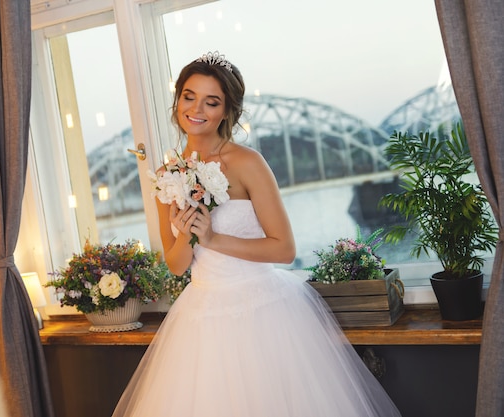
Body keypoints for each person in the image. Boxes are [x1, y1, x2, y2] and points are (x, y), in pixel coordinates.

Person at [112, 51, 401, 417]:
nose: (196, 108)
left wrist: (214, 239)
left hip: (264, 310)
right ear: (177, 101)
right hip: (201, 318)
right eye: (189, 96)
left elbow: (284, 249)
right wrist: (188, 233)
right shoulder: (165, 176)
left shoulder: (248, 163)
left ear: (227, 111)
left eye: (211, 101)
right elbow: (175, 265)